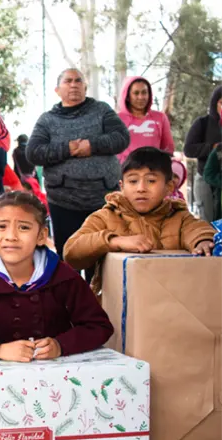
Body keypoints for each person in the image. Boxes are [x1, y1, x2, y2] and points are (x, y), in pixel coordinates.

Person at [0, 191, 114, 360]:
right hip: (3, 380)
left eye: (24, 227)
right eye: (1, 226)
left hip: (60, 378)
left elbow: (99, 327)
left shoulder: (64, 277)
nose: (11, 236)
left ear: (41, 235)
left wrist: (60, 346)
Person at [65, 147, 216, 294]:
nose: (141, 188)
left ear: (169, 187)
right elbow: (71, 252)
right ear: (122, 186)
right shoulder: (106, 216)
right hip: (118, 309)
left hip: (170, 303)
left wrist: (202, 241)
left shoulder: (179, 216)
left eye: (151, 180)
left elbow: (197, 229)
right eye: (133, 181)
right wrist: (114, 241)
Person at [26, 68, 130, 269]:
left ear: (85, 86)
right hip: (63, 201)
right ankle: (68, 299)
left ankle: (100, 300)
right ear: (57, 90)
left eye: (78, 81)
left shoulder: (102, 110)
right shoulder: (47, 120)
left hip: (102, 199)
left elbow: (121, 138)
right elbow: (34, 152)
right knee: (67, 258)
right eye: (68, 81)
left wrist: (92, 145)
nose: (73, 85)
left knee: (102, 259)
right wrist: (67, 149)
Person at [184, 85, 222, 222]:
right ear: (215, 103)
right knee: (209, 224)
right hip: (206, 180)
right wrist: (212, 148)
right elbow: (188, 149)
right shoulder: (203, 123)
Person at [116, 76, 174, 163]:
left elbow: (168, 148)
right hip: (126, 172)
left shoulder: (160, 117)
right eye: (136, 93)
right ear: (127, 96)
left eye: (144, 92)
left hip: (153, 171)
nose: (141, 97)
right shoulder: (117, 119)